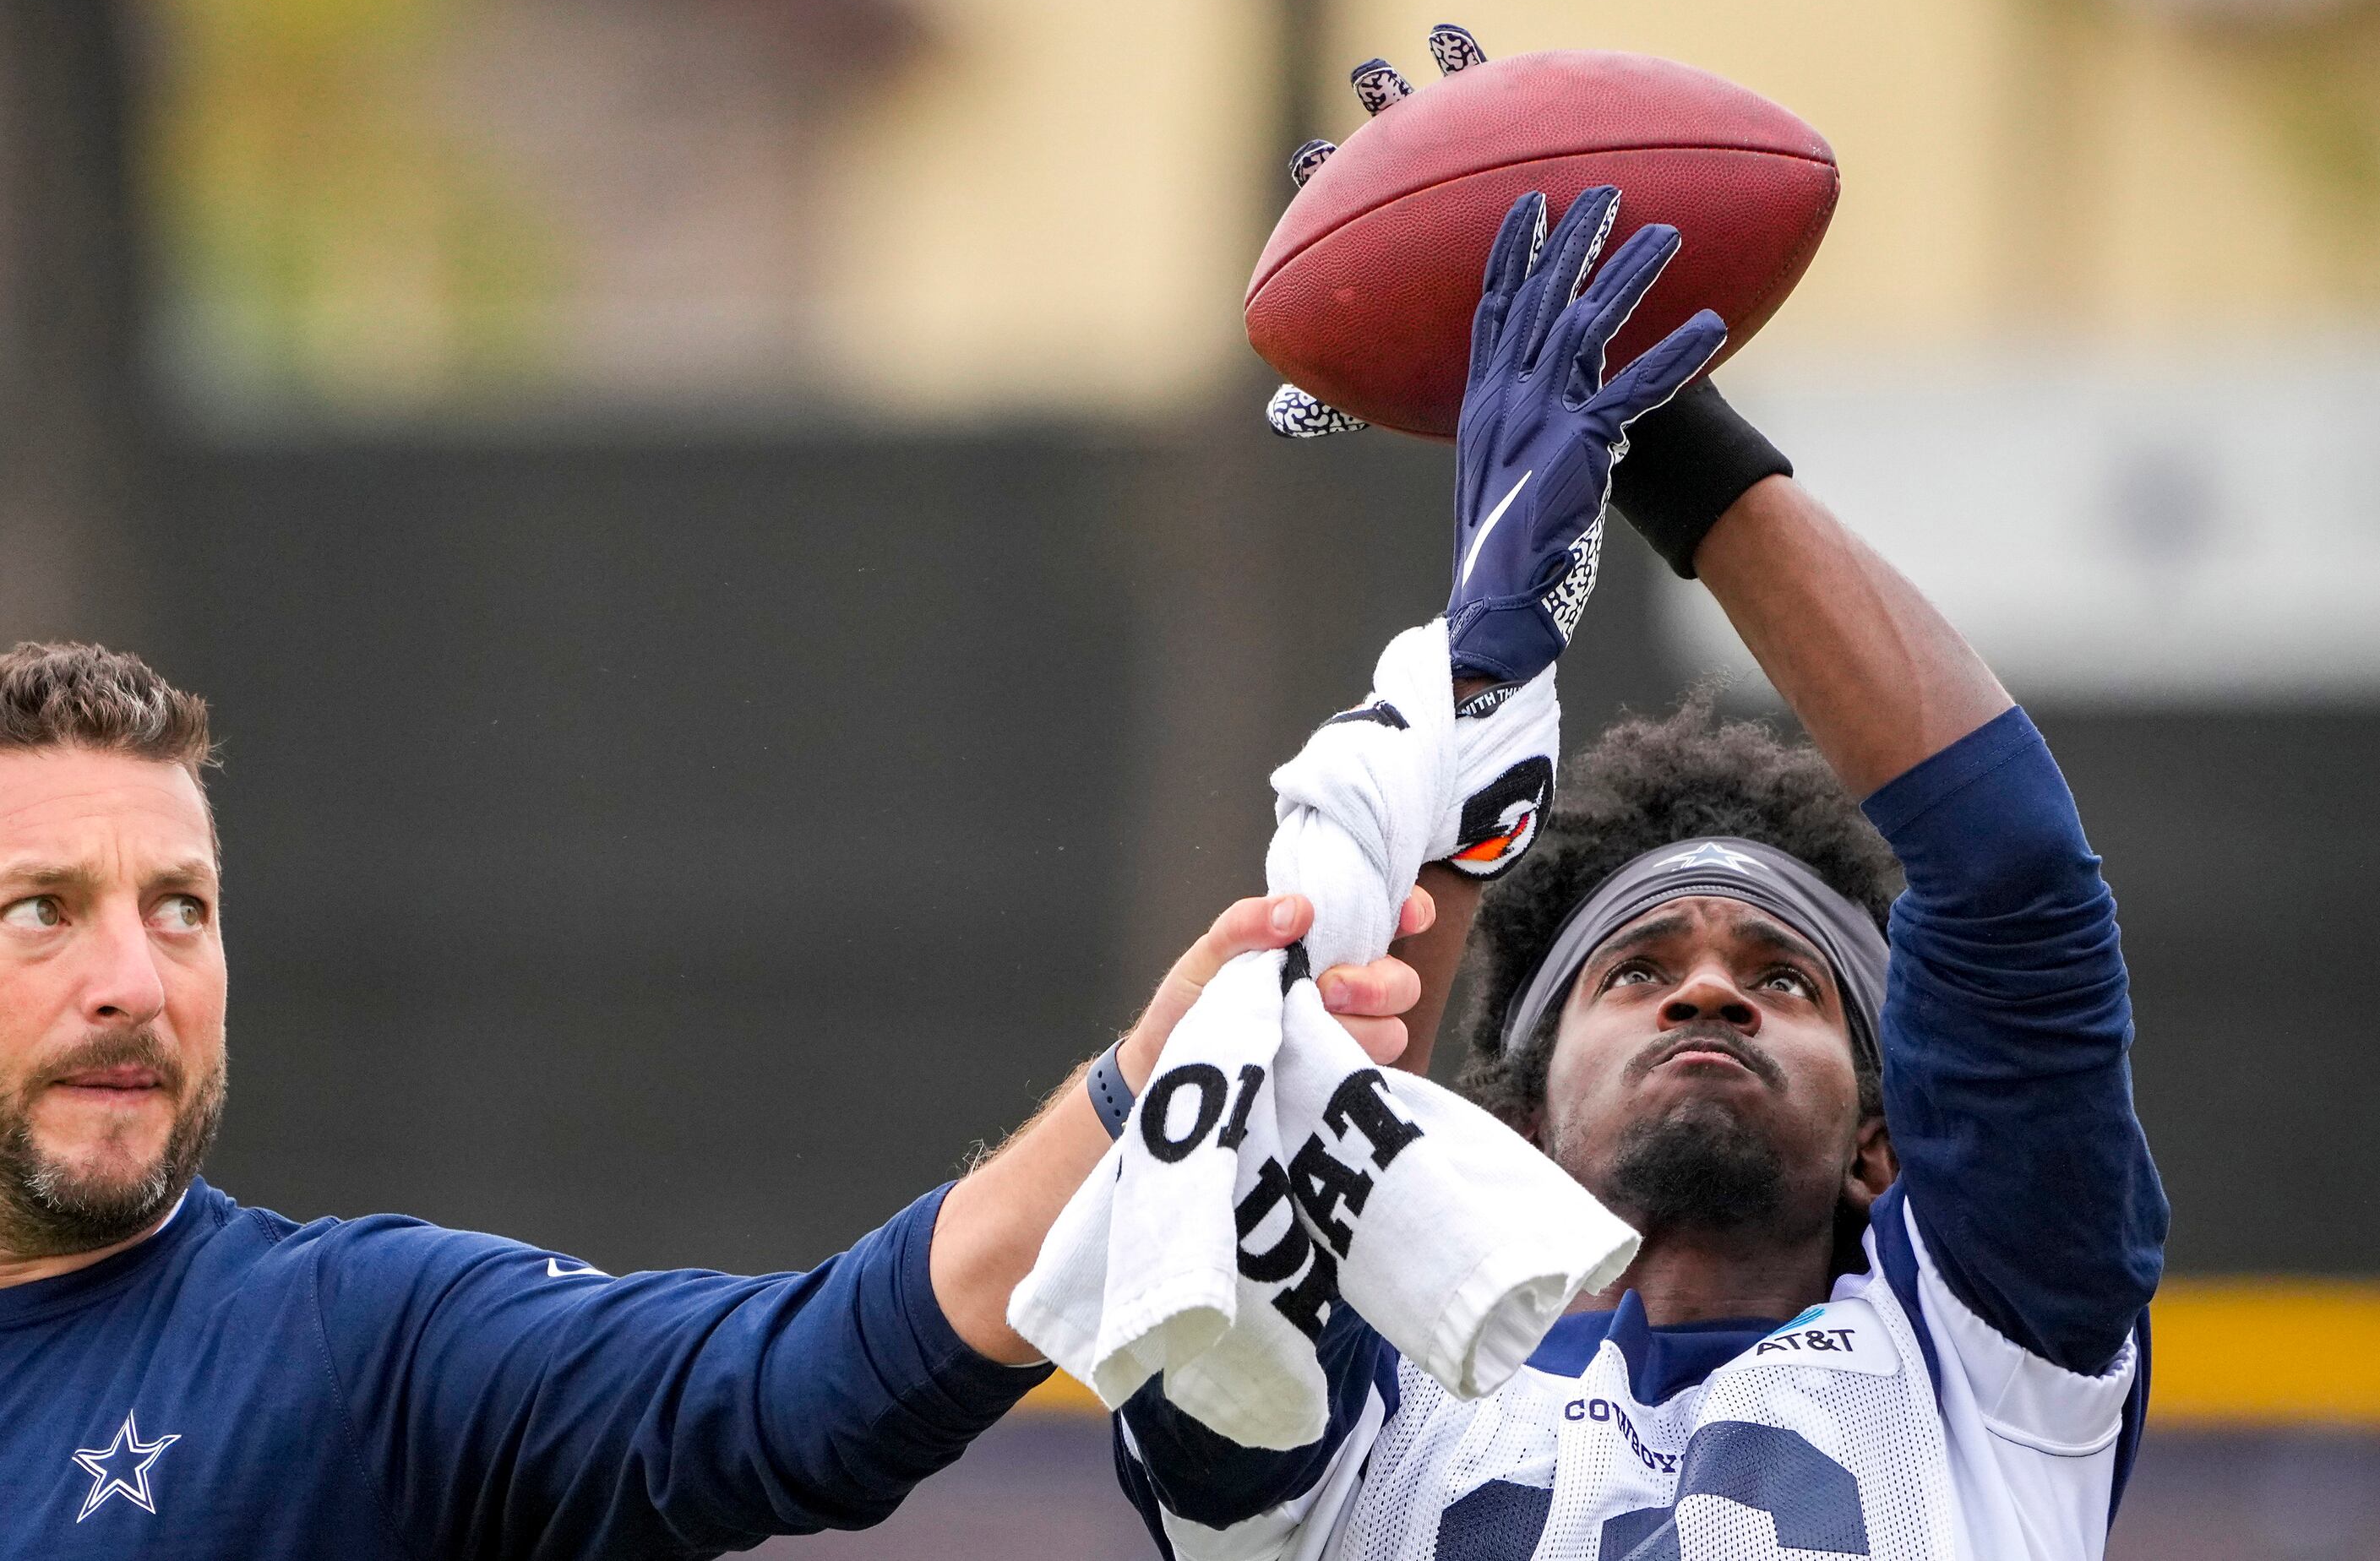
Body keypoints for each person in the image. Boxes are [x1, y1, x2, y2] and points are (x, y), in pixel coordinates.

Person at [1111, 182, 2169, 1558]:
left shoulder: (1987, 1373)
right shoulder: (1359, 1433)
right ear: (1517, 1128)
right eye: (1638, 967)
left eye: (1783, 976)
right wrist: (1472, 677)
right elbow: (1303, 1114)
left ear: (1880, 1143)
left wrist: (1665, 426)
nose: (1709, 994)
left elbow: (2010, 868)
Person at [0, 639, 1435, 1558]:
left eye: (181, 907)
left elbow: (787, 1383)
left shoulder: (340, 1341)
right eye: (41, 911)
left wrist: (1144, 1095)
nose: (136, 976)